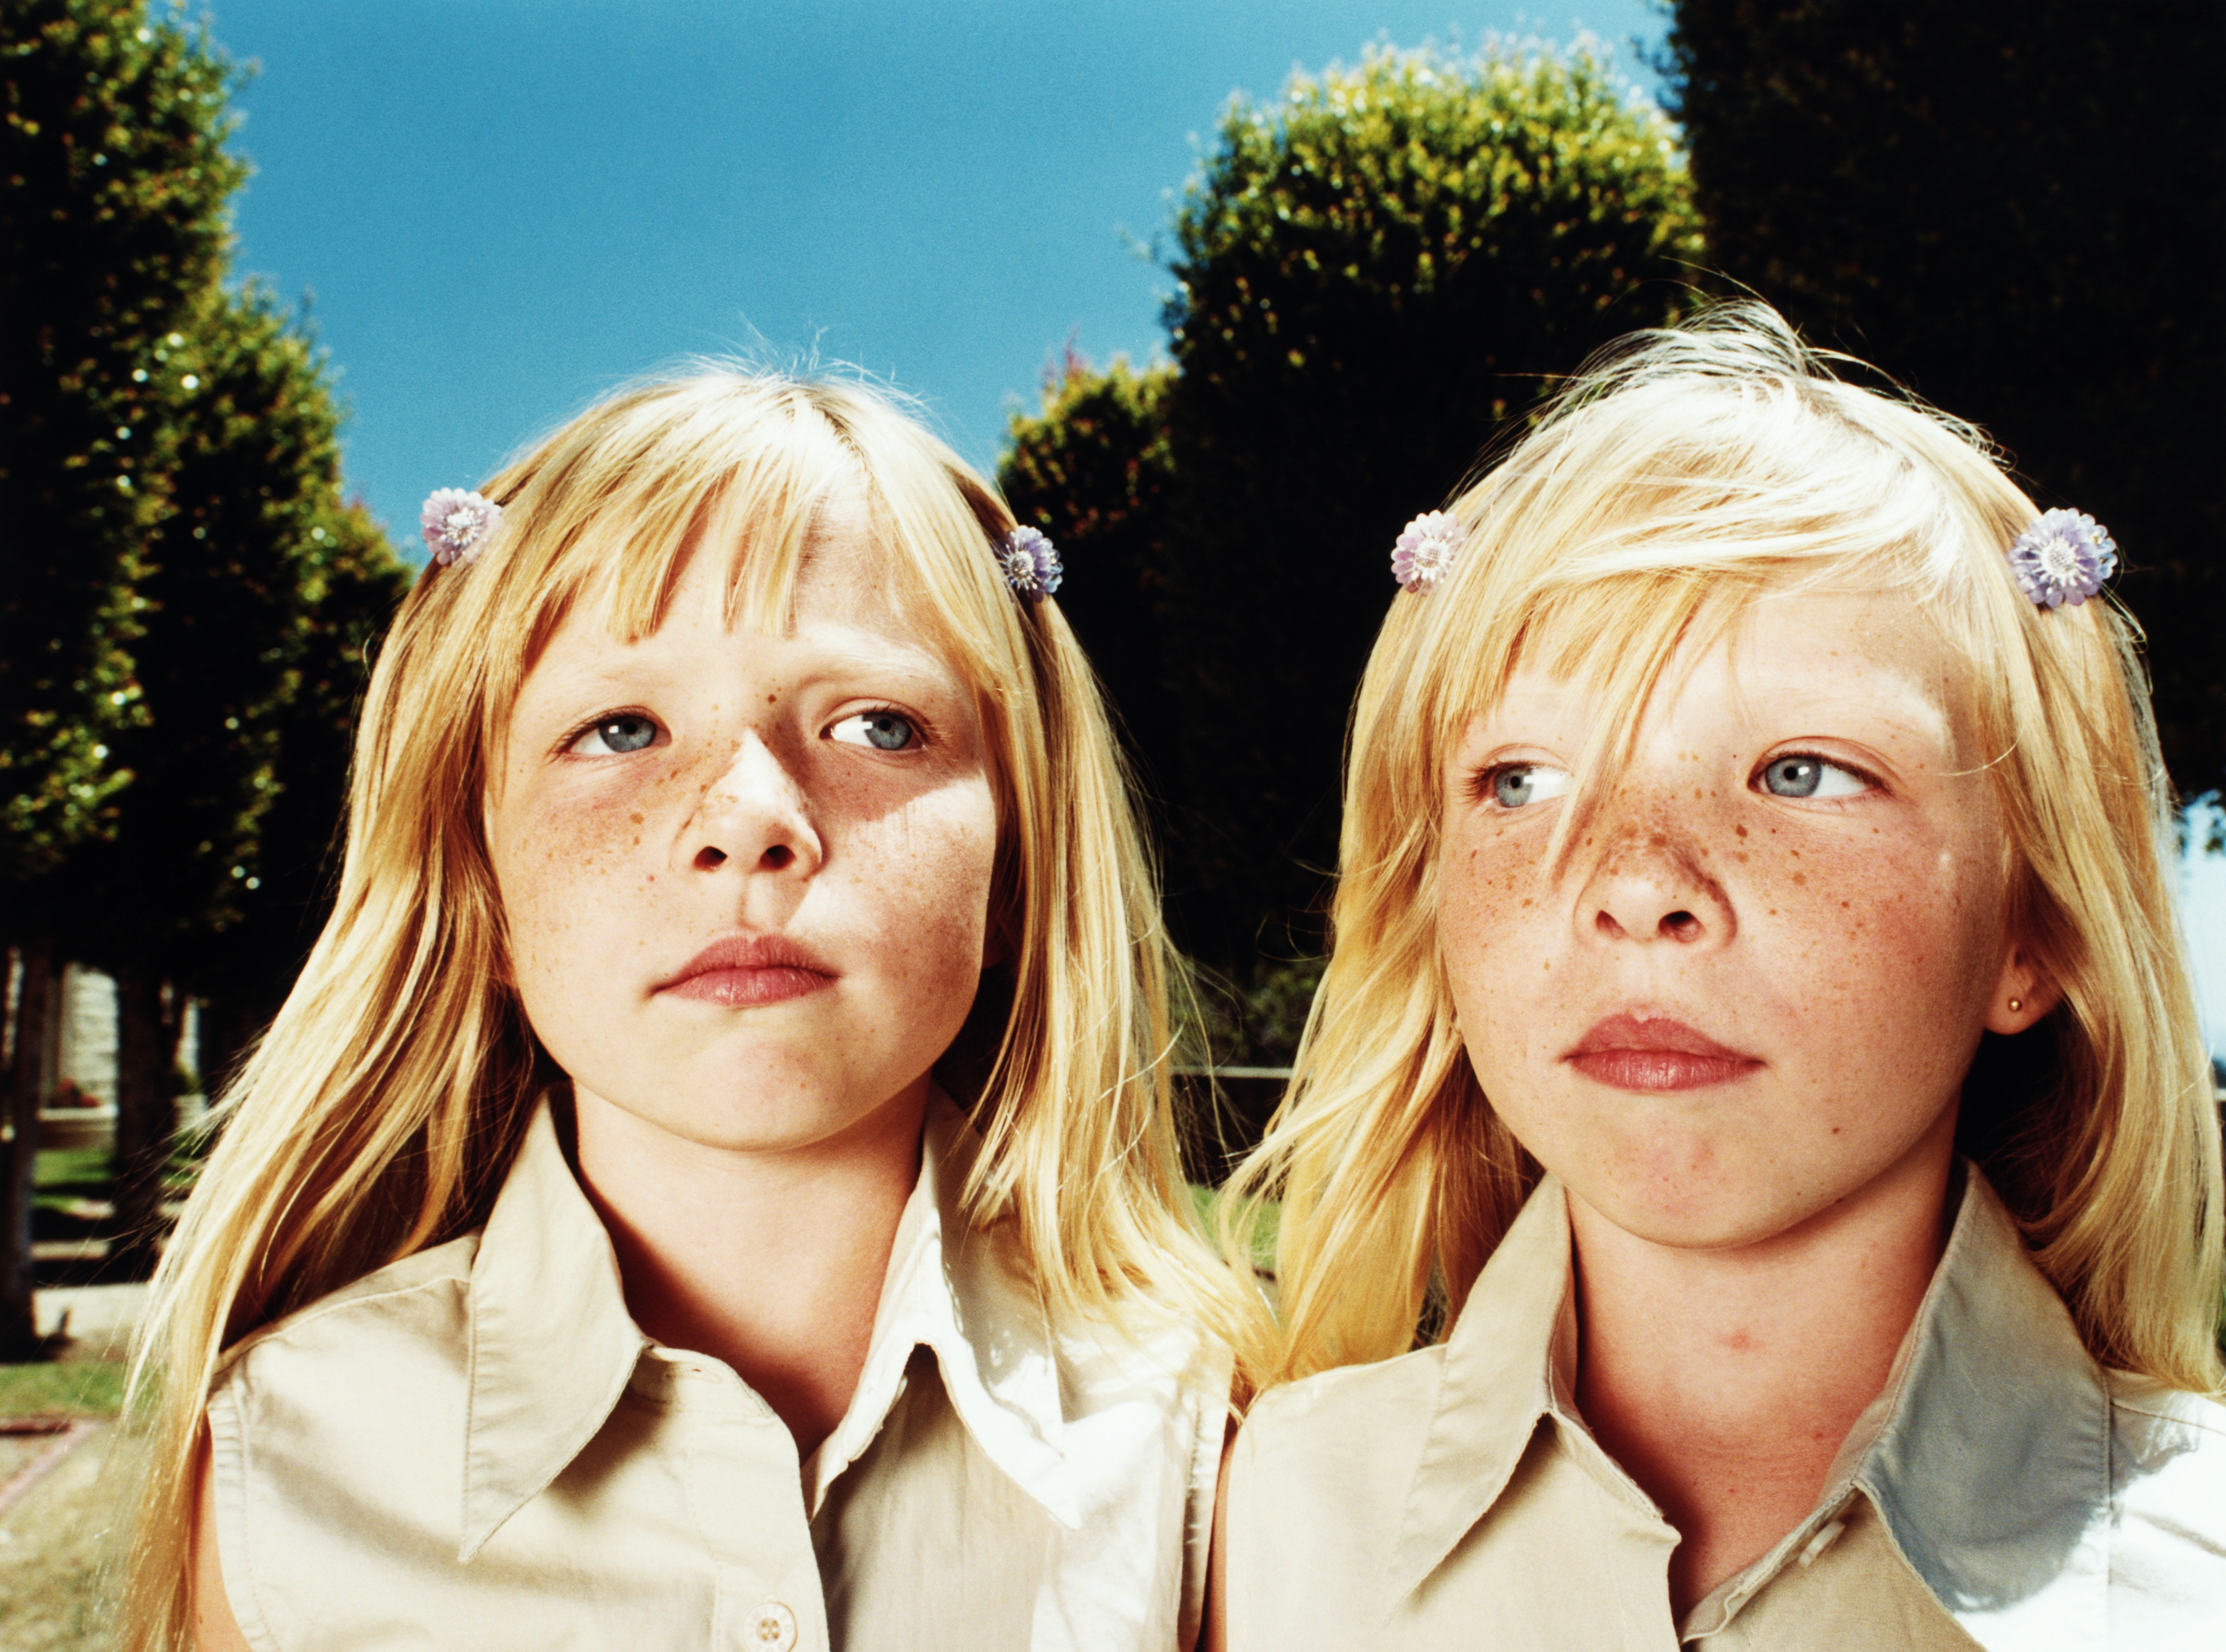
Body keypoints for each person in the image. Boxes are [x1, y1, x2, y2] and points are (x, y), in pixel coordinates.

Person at [123, 372, 1249, 1652]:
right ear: (478, 888)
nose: (747, 818)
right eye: (618, 729)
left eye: (880, 724)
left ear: (1019, 868)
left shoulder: (1203, 1438)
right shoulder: (292, 1456)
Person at [1212, 303, 2226, 1649]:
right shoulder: (1257, 1517)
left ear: (2032, 931)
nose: (1635, 882)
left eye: (1800, 771)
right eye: (1523, 780)